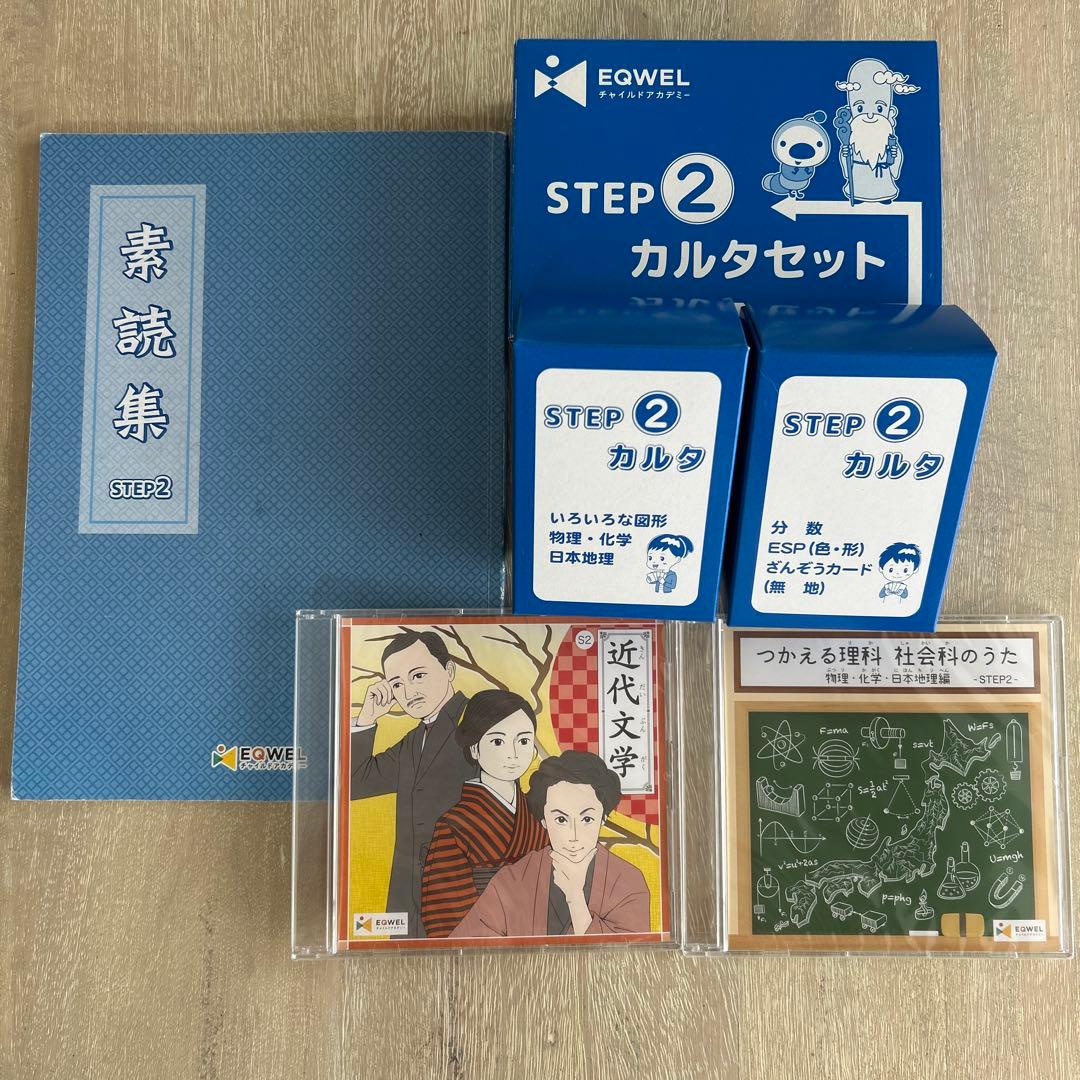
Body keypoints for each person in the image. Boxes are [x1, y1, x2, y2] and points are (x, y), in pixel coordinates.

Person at [350, 630, 474, 937]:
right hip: (409, 892)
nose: (408, 692)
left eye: (418, 675)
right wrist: (367, 718)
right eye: (396, 684)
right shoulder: (412, 741)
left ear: (449, 670)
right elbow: (355, 784)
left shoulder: (479, 720)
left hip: (462, 889)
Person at [450, 751, 651, 938]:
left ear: (603, 818)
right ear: (544, 820)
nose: (574, 835)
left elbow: (632, 953)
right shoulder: (514, 879)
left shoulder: (627, 880)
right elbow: (468, 943)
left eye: (587, 819)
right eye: (561, 820)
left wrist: (575, 898)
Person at [420, 690, 548, 937]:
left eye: (523, 741)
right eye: (498, 742)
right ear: (475, 749)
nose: (513, 753)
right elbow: (445, 913)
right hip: (483, 941)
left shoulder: (540, 815)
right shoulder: (453, 824)